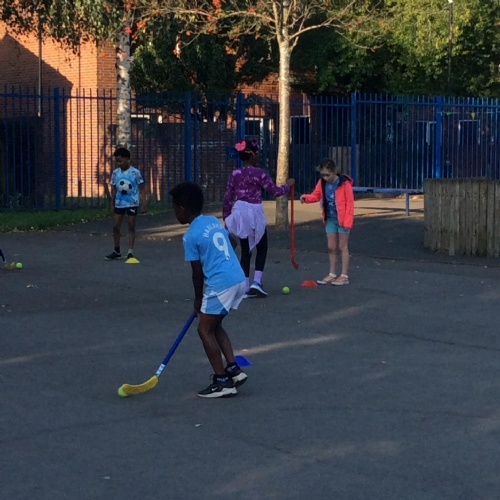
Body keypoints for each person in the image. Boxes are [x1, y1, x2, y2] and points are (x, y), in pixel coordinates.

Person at [169, 181, 248, 398]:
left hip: (221, 284)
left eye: (174, 208)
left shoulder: (190, 236)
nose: (174, 213)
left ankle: (222, 381)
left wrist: (197, 301)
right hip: (238, 277)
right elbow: (233, 243)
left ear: (182, 209)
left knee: (204, 330)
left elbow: (197, 274)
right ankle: (233, 369)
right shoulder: (212, 221)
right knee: (214, 325)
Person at [222, 138, 295, 298]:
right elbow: (274, 191)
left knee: (246, 249)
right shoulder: (259, 173)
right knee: (262, 246)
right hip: (254, 211)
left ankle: (245, 286)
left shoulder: (235, 174)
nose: (258, 157)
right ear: (253, 155)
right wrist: (288, 185)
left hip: (240, 211)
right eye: (257, 153)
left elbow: (228, 197)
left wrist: (226, 218)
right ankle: (257, 281)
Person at [300, 158, 354, 285]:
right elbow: (316, 195)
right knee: (331, 247)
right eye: (323, 175)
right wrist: (306, 198)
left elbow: (350, 204)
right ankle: (332, 273)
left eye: (327, 175)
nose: (325, 177)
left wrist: (347, 221)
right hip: (330, 218)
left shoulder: (344, 184)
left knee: (342, 246)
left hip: (342, 220)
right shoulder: (322, 183)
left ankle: (344, 275)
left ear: (334, 171)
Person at [105, 147, 146, 261]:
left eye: (120, 160)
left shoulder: (135, 172)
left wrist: (143, 203)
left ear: (128, 159)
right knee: (116, 226)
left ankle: (130, 251)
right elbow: (114, 189)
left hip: (132, 203)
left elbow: (142, 188)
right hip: (119, 203)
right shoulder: (115, 173)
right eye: (117, 161)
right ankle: (116, 250)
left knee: (131, 226)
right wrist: (112, 203)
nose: (119, 163)